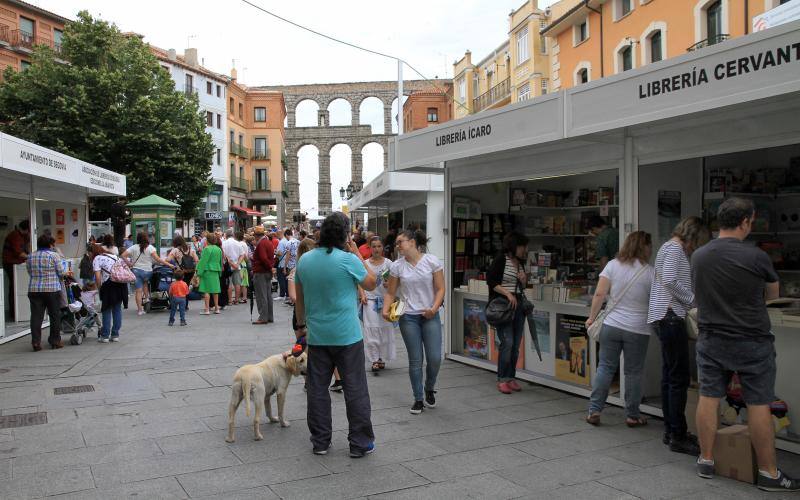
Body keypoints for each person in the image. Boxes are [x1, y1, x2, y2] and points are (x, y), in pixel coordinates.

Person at [691, 197, 798, 491]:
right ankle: (769, 473)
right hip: (751, 340)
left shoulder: (699, 255)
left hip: (711, 338)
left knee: (709, 397)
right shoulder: (756, 256)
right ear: (745, 222)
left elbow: (698, 294)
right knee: (759, 403)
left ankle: (706, 459)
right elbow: (773, 294)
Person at [294, 212, 377, 458]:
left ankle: (320, 440)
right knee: (355, 389)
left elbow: (300, 298)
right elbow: (371, 283)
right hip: (347, 336)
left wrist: (301, 325)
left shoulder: (305, 260)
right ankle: (360, 442)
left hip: (318, 336)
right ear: (345, 234)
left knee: (317, 389)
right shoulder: (347, 259)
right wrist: (358, 254)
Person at [648, 216, 710, 455]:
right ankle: (678, 434)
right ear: (693, 235)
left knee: (670, 376)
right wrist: (693, 300)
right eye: (698, 241)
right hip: (671, 314)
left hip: (663, 315)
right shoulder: (674, 249)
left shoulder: (667, 247)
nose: (696, 247)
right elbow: (672, 280)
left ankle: (670, 429)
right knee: (679, 378)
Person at [585, 231, 654, 426]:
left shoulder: (612, 266)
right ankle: (632, 415)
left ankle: (594, 410)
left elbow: (599, 294)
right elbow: (656, 301)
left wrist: (591, 318)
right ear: (645, 247)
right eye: (649, 245)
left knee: (605, 367)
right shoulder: (650, 272)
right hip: (638, 329)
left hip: (612, 325)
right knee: (633, 372)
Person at [383, 230, 445, 415]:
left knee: (435, 358)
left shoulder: (431, 261)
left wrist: (434, 308)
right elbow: (391, 292)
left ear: (412, 242)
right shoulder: (397, 266)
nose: (397, 245)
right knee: (415, 360)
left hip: (430, 315)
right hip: (408, 316)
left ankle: (429, 387)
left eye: (400, 242)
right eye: (396, 243)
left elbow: (441, 288)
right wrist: (385, 309)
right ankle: (418, 398)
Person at [486, 232, 529, 394]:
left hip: (517, 306)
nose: (525, 249)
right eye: (522, 246)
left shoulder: (520, 263)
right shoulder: (501, 259)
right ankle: (502, 378)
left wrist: (523, 280)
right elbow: (491, 281)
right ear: (514, 246)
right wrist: (507, 293)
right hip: (503, 306)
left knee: (516, 345)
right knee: (508, 343)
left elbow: (522, 287)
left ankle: (511, 377)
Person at [359, 236, 396, 373]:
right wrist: (362, 295)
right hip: (370, 300)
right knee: (372, 328)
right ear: (370, 247)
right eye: (373, 246)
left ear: (383, 247)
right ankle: (374, 359)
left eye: (379, 246)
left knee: (385, 328)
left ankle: (381, 358)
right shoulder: (366, 263)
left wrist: (390, 284)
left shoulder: (389, 263)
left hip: (385, 300)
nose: (376, 249)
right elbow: (360, 280)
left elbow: (396, 281)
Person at [26, 234, 65, 351]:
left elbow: (29, 271)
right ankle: (55, 341)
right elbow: (61, 272)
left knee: (36, 317)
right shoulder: (54, 255)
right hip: (51, 289)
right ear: (50, 244)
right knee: (54, 316)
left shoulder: (30, 256)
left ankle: (36, 342)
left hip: (34, 289)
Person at [121, 232, 173, 315]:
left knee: (138, 290)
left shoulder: (133, 247)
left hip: (136, 271)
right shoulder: (150, 248)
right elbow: (158, 259)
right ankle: (147, 298)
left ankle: (140, 310)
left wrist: (129, 263)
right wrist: (169, 265)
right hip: (148, 272)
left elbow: (123, 255)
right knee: (145, 282)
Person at [93, 243, 127, 343]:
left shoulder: (98, 258)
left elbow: (98, 277)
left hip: (108, 285)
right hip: (120, 284)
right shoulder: (115, 256)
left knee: (106, 309)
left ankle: (105, 336)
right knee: (117, 309)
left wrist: (100, 289)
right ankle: (115, 334)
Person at [3, 219, 30, 318]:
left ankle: (17, 312)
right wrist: (32, 257)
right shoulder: (15, 236)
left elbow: (26, 249)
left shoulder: (23, 236)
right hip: (11, 264)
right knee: (14, 287)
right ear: (27, 229)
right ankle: (14, 313)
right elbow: (19, 252)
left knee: (16, 287)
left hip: (17, 264)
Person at [251, 226, 275, 324]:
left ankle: (263, 317)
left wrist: (270, 267)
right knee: (268, 295)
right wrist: (270, 268)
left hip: (261, 272)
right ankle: (269, 316)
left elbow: (263, 258)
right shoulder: (268, 242)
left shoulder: (261, 244)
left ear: (256, 235)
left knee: (261, 295)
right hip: (266, 272)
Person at [196, 232, 223, 314]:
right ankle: (216, 308)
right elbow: (220, 261)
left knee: (206, 290)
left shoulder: (206, 249)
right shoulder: (218, 249)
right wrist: (220, 271)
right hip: (216, 270)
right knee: (215, 290)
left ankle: (207, 309)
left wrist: (198, 272)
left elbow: (203, 261)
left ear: (207, 240)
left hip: (207, 270)